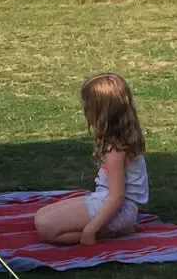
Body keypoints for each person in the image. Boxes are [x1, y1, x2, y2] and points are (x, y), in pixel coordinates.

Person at [35, 72, 148, 246]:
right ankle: (118, 227)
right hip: (108, 202)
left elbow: (117, 197)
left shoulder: (115, 150)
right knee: (41, 215)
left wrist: (90, 230)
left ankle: (109, 232)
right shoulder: (119, 140)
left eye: (87, 103)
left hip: (118, 209)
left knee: (46, 227)